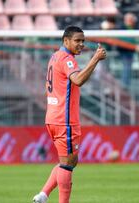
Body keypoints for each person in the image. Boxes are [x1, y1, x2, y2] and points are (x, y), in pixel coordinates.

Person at [32, 26, 106, 203]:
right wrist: (95, 59)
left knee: (69, 161)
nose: (81, 44)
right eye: (77, 40)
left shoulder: (56, 56)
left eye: (83, 41)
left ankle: (43, 195)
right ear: (66, 41)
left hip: (53, 117)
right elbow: (78, 80)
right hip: (64, 120)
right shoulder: (67, 59)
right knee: (67, 164)